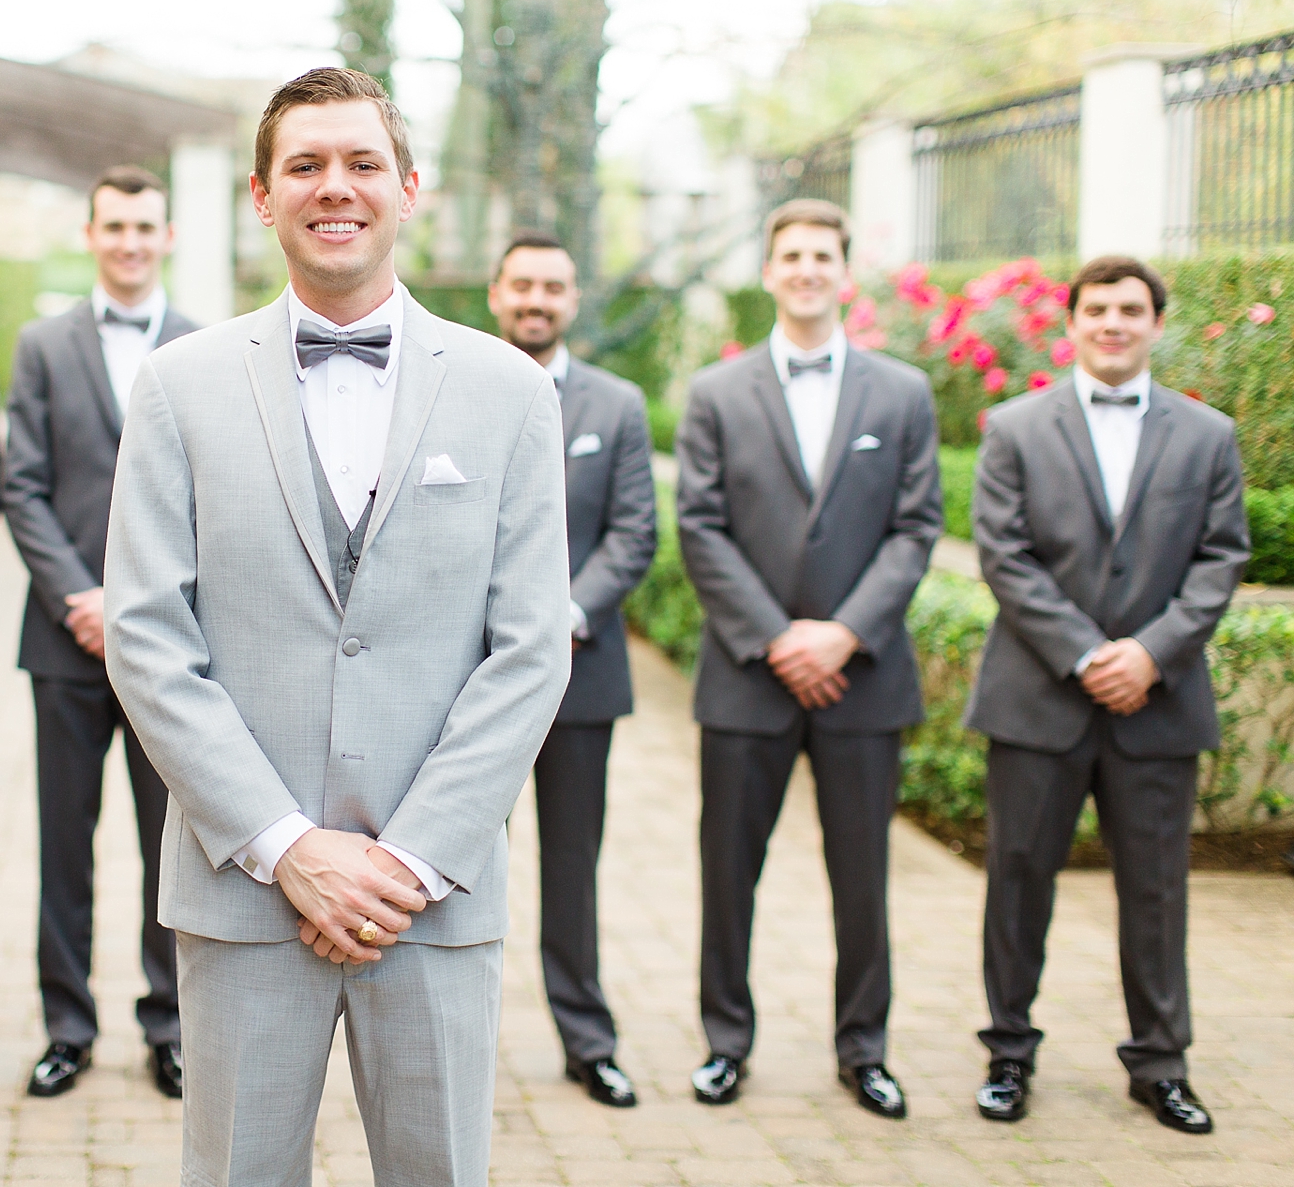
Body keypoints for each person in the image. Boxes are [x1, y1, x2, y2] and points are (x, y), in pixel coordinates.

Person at [103, 67, 571, 1186]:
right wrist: (287, 845)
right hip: (246, 888)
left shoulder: (512, 392)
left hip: (433, 893)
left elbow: (528, 649)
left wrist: (408, 859)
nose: (335, 187)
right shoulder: (177, 386)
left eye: (363, 162)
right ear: (263, 197)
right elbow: (149, 637)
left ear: (408, 188)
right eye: (305, 164)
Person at [965, 256, 1248, 1133]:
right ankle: (1008, 1054)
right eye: (1097, 309)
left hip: (1157, 705)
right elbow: (1003, 553)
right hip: (1038, 701)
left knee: (1157, 892)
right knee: (1018, 882)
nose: (1113, 323)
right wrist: (1087, 655)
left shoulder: (1208, 436)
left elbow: (1221, 558)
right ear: (1072, 323)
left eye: (1130, 309)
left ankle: (1161, 1064)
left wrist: (1151, 655)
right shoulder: (1015, 428)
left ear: (1157, 322)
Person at [674, 198, 941, 1117]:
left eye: (822, 256)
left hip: (862, 680)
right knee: (727, 874)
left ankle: (864, 1049)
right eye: (791, 255)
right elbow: (700, 527)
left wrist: (845, 633)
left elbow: (916, 529)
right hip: (748, 676)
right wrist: (778, 636)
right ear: (769, 271)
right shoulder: (716, 394)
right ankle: (725, 1042)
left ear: (845, 273)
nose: (806, 270)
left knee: (862, 877)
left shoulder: (902, 393)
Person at [2, 165, 198, 1100]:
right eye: (113, 226)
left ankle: (171, 1025)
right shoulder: (43, 346)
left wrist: (138, 605)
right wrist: (79, 597)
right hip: (66, 640)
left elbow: (218, 497)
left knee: (173, 842)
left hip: (170, 645)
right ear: (90, 236)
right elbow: (23, 486)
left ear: (167, 238)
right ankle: (67, 1028)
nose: (128, 242)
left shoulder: (205, 345)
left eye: (143, 226)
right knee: (63, 844)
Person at [487, 233, 657, 1107]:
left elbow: (634, 532)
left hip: (581, 678)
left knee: (572, 867)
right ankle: (454, 1044)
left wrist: (562, 617)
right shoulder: (460, 388)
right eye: (522, 285)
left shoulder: (617, 406)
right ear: (496, 293)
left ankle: (588, 1042)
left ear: (573, 299)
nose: (536, 300)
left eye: (552, 286)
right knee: (457, 864)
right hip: (468, 682)